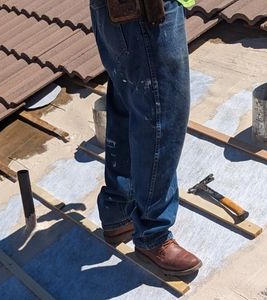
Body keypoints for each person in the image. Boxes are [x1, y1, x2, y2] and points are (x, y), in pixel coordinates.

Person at [90, 0, 202, 276]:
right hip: (145, 8)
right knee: (162, 110)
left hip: (118, 10)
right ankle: (153, 232)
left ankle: (118, 210)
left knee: (130, 100)